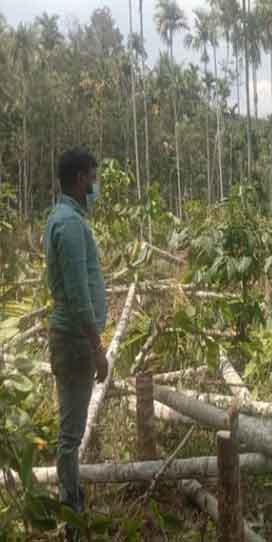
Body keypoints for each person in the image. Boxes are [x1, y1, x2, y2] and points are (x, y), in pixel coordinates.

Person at [44, 149, 108, 542]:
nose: (96, 185)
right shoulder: (68, 225)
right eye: (94, 178)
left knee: (72, 430)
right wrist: (97, 347)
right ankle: (72, 515)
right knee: (70, 436)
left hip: (74, 339)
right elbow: (78, 293)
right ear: (81, 178)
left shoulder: (69, 220)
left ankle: (73, 502)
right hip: (75, 342)